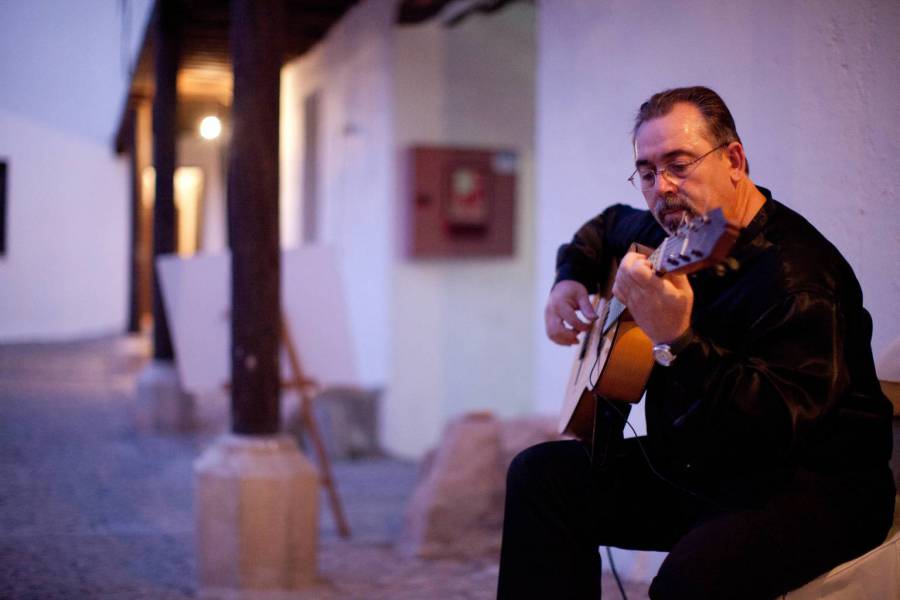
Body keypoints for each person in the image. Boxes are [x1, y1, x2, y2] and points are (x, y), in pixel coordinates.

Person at [496, 86, 895, 599]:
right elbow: (606, 227)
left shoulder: (799, 277)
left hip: (810, 486)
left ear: (734, 160)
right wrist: (568, 278)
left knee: (689, 582)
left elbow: (773, 426)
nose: (661, 187)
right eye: (646, 171)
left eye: (679, 164)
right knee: (540, 477)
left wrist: (677, 340)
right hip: (701, 464)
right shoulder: (679, 227)